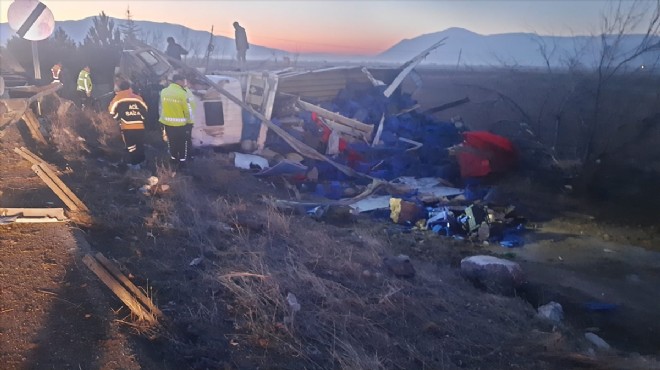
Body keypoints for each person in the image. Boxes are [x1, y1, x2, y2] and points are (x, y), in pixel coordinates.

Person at [108, 81, 148, 170]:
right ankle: (142, 162)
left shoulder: (118, 98)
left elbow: (111, 111)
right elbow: (145, 109)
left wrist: (118, 117)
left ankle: (135, 166)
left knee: (131, 146)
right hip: (140, 126)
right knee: (140, 145)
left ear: (119, 88)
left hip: (127, 127)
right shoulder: (138, 97)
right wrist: (140, 118)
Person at [159, 74, 193, 167]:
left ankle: (173, 159)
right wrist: (190, 122)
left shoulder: (164, 91)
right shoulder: (183, 93)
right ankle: (182, 161)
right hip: (181, 124)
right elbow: (188, 110)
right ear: (179, 81)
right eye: (183, 81)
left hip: (167, 123)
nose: (184, 83)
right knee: (182, 143)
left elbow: (161, 107)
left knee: (172, 142)